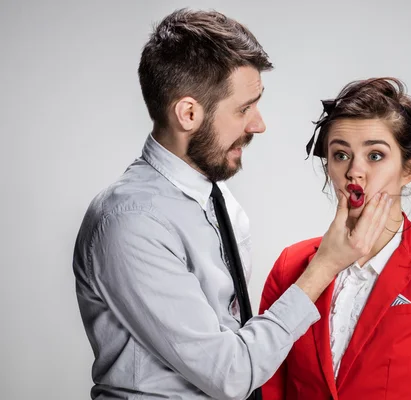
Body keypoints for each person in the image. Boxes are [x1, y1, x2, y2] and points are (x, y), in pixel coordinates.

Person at [72, 9, 393, 400]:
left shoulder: (221, 204)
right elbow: (231, 373)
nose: (258, 124)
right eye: (243, 108)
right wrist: (325, 265)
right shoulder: (131, 223)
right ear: (188, 113)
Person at [259, 77, 411, 399]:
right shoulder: (290, 266)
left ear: (408, 171)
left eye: (375, 156)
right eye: (340, 155)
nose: (355, 171)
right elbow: (268, 386)